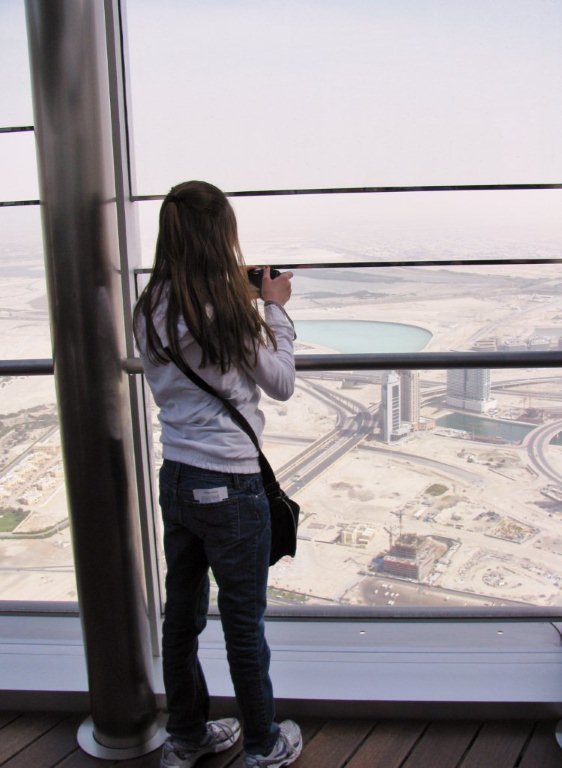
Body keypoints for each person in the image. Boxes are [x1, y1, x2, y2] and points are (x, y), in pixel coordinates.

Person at [133, 180, 302, 768]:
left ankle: (187, 736)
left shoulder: (149, 307)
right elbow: (279, 382)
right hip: (230, 484)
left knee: (181, 616)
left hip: (176, 478)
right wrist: (272, 306)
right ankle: (263, 743)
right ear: (221, 235)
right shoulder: (225, 313)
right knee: (242, 623)